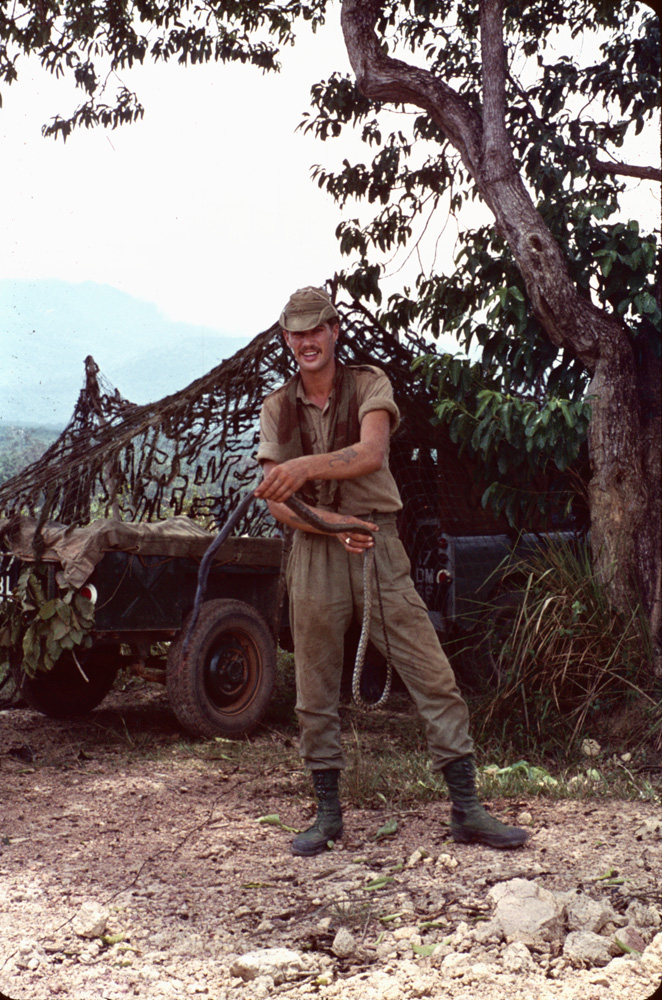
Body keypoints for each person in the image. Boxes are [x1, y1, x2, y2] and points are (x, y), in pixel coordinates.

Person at [254, 286, 528, 857]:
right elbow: (278, 502)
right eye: (296, 333)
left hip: (379, 542)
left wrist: (303, 469)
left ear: (334, 331)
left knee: (431, 672)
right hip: (317, 548)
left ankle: (468, 809)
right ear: (287, 340)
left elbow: (371, 452)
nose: (308, 342)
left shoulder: (370, 383)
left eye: (317, 329)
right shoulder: (278, 406)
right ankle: (328, 816)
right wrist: (330, 524)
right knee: (315, 686)